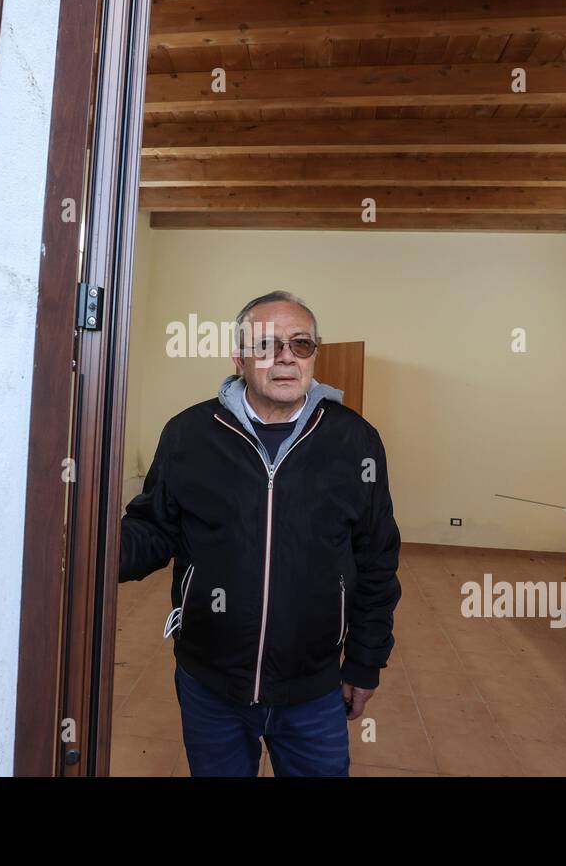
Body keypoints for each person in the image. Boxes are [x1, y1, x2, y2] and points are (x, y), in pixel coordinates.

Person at [120, 291, 402, 776]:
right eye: (267, 344)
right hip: (210, 682)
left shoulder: (355, 441)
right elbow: (153, 529)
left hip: (313, 688)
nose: (286, 356)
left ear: (315, 353)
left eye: (301, 344)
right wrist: (80, 548)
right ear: (239, 358)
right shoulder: (189, 434)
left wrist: (364, 661)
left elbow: (377, 558)